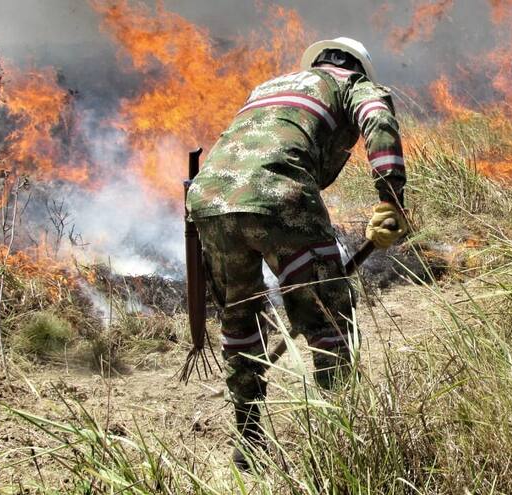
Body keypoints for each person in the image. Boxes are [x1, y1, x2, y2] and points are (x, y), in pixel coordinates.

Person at [185, 37, 408, 471]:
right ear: (356, 67)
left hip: (208, 199)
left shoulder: (267, 88)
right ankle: (342, 435)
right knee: (328, 313)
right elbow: (379, 121)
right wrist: (391, 197)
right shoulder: (351, 84)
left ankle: (247, 437)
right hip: (280, 195)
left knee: (240, 314)